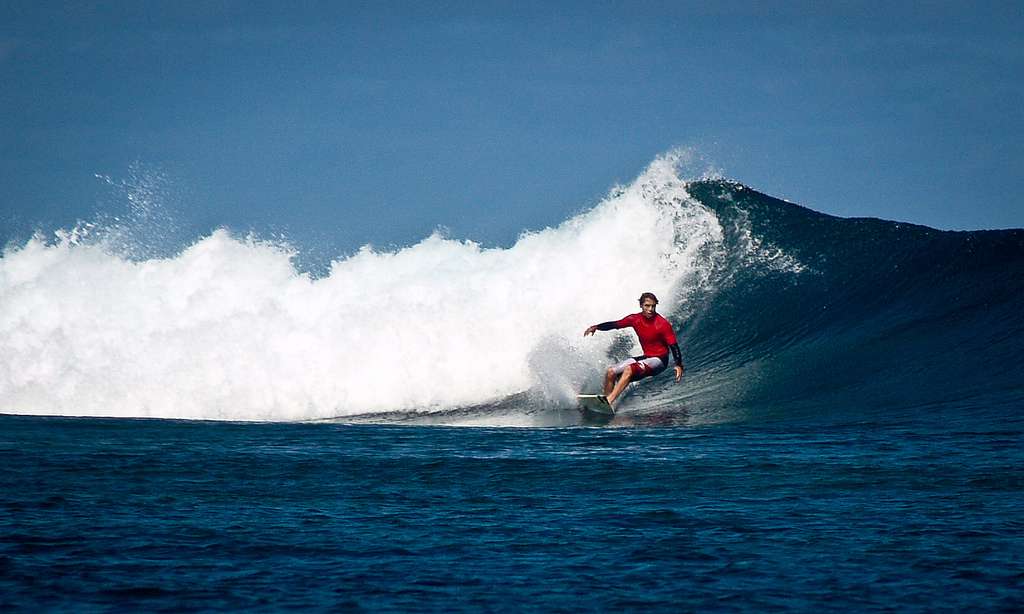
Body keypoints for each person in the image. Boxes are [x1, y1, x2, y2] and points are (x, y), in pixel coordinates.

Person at [583, 292, 684, 406]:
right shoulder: (634, 319)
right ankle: (605, 401)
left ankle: (609, 401)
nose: (650, 309)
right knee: (611, 372)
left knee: (629, 369)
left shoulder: (662, 324)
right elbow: (616, 324)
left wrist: (678, 364)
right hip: (647, 357)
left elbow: (674, 346)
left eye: (653, 306)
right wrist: (597, 327)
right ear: (641, 305)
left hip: (659, 360)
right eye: (647, 306)